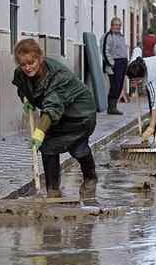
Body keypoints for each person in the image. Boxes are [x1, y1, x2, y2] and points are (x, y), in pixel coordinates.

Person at [12, 39, 98, 198]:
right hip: (56, 115)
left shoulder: (58, 76)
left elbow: (52, 107)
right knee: (47, 146)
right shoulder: (21, 73)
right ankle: (52, 192)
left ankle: (90, 178)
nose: (27, 68)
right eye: (23, 65)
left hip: (79, 114)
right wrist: (25, 98)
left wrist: (39, 132)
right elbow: (21, 86)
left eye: (31, 63)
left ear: (39, 57)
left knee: (77, 147)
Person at [101, 17, 128, 115]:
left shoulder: (121, 36)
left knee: (120, 86)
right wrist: (112, 64)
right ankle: (111, 107)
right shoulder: (108, 36)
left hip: (122, 64)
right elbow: (105, 51)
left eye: (119, 25)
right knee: (115, 87)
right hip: (114, 64)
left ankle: (114, 107)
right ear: (112, 26)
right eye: (116, 25)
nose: (118, 27)